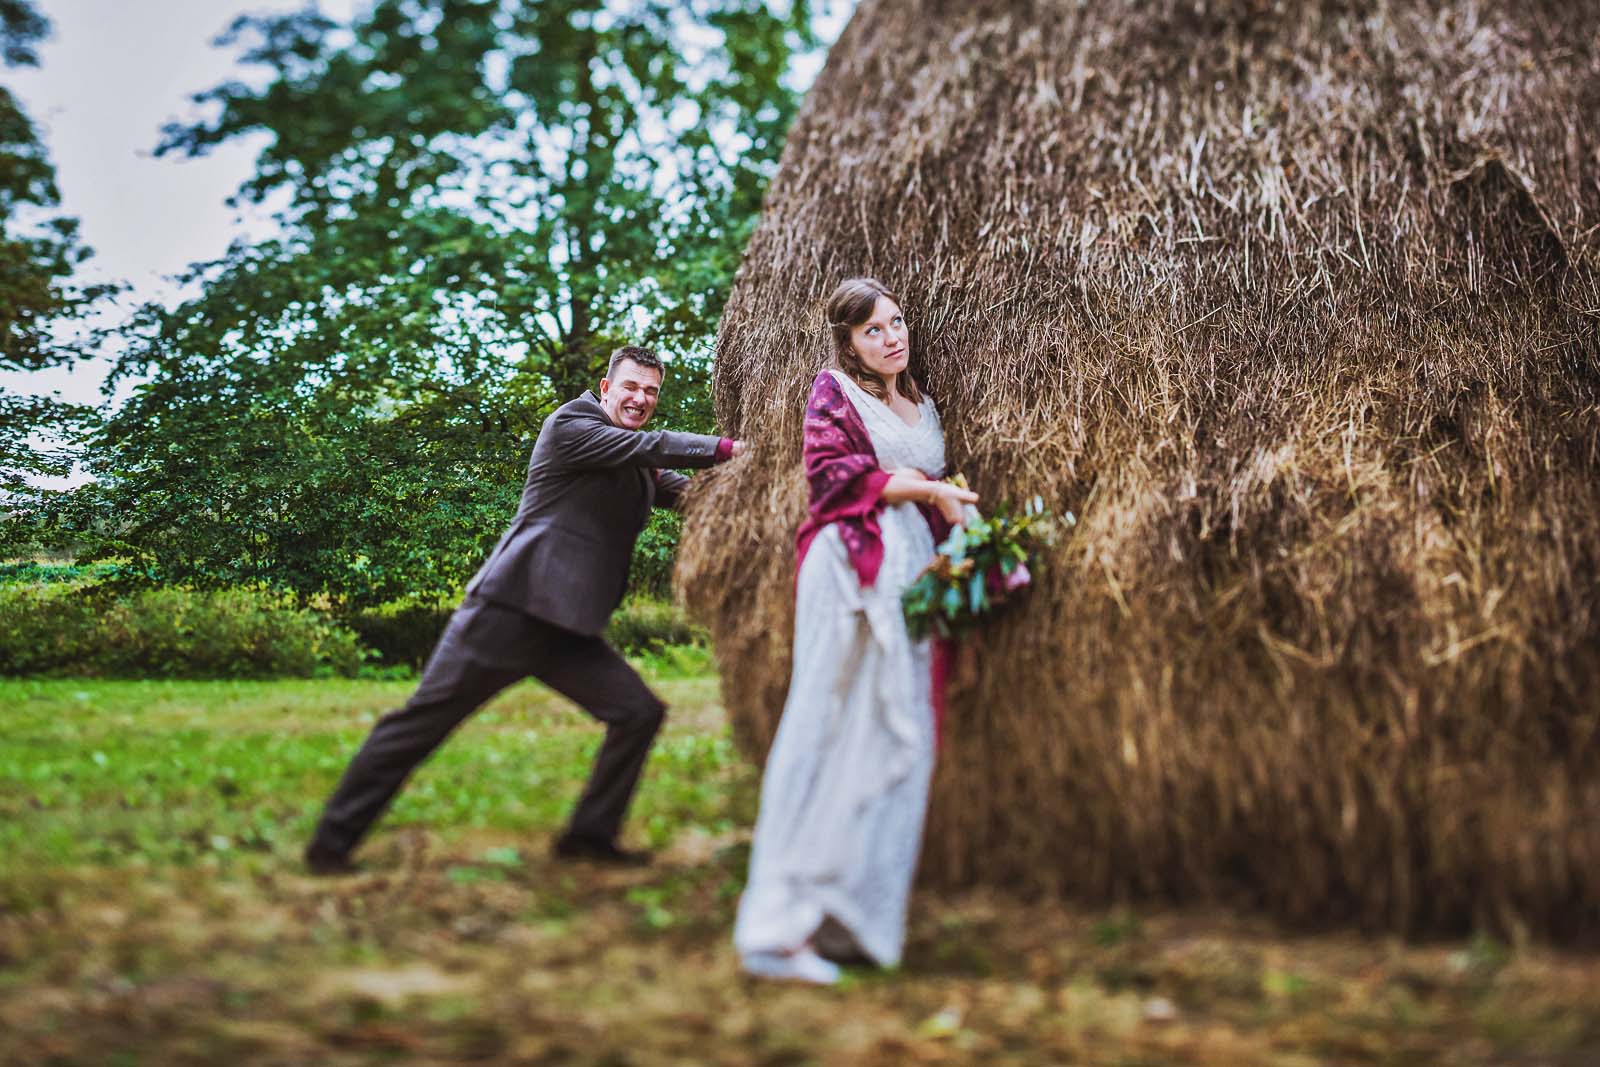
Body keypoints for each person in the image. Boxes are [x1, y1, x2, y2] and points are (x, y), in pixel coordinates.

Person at [304, 345, 742, 874]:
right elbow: (657, 446)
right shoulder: (571, 425)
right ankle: (330, 843)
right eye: (631, 386)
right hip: (508, 613)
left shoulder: (635, 460)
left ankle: (589, 836)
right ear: (606, 388)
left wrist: (763, 486)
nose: (641, 398)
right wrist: (729, 448)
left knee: (637, 712)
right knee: (421, 723)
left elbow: (694, 496)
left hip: (565, 629)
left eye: (651, 391)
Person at [733, 278, 979, 984]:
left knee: (896, 734)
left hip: (908, 570)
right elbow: (833, 478)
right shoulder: (833, 391)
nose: (892, 336)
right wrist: (930, 490)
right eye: (874, 329)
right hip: (850, 566)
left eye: (897, 321)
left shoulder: (922, 402)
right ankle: (774, 927)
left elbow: (932, 490)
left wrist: (962, 528)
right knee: (828, 720)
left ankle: (847, 913)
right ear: (849, 341)